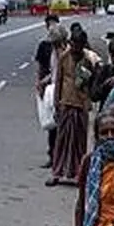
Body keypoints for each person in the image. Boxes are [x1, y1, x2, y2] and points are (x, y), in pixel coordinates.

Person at [48, 29, 96, 187]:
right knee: (61, 141)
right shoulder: (64, 58)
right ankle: (56, 173)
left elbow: (89, 84)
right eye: (74, 45)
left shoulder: (87, 61)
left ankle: (78, 174)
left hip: (80, 105)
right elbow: (59, 81)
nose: (76, 49)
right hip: (66, 103)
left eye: (79, 46)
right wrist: (56, 103)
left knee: (79, 142)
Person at [35, 15, 64, 168]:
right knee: (52, 125)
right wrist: (40, 83)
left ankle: (62, 158)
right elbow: (43, 68)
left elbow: (60, 73)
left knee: (63, 127)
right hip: (51, 90)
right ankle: (52, 156)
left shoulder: (66, 51)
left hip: (63, 92)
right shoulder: (44, 46)